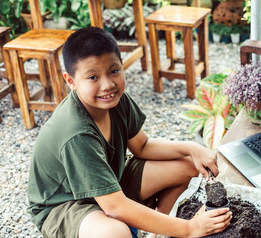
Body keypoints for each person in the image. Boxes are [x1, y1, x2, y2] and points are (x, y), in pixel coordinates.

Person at [26, 26, 232, 238]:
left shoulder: (115, 100)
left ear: (122, 66)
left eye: (113, 71)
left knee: (187, 166)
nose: (107, 85)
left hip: (110, 181)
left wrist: (192, 149)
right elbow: (115, 207)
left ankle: (159, 232)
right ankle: (169, 229)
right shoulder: (76, 132)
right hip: (67, 204)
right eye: (92, 77)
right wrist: (190, 229)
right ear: (71, 81)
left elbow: (142, 146)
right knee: (115, 233)